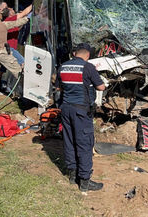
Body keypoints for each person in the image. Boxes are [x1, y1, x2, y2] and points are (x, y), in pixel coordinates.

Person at [59, 43, 106, 192]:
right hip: (81, 111)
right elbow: (101, 87)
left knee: (69, 140)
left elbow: (59, 87)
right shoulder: (88, 67)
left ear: (75, 53)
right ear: (87, 56)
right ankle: (85, 181)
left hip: (66, 109)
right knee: (84, 144)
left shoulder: (63, 66)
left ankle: (72, 175)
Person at [0, 7, 30, 102]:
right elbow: (17, 23)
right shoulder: (4, 25)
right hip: (2, 52)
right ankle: (27, 92)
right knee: (17, 70)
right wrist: (27, 19)